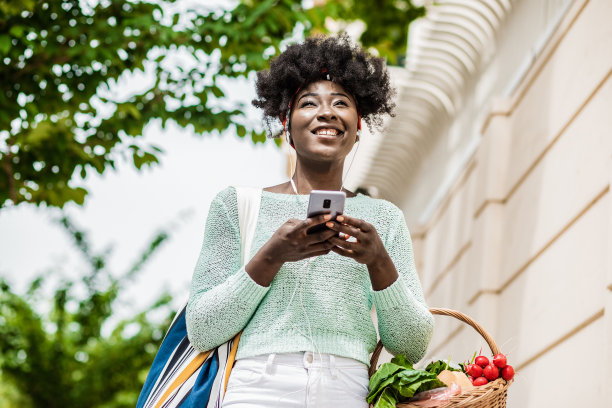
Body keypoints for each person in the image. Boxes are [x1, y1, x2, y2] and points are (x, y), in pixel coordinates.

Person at [186, 34, 433, 408]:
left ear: (359, 124)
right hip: (256, 389)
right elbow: (203, 330)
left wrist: (379, 263)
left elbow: (411, 345)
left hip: (346, 390)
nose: (327, 112)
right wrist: (271, 255)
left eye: (341, 103)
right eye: (308, 103)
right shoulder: (236, 205)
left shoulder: (384, 218)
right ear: (286, 123)